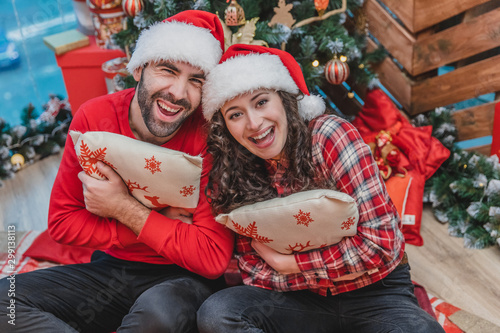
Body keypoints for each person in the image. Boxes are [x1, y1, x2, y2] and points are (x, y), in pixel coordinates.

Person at [0, 10, 234, 333]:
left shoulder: (208, 138)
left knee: (158, 317)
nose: (178, 93)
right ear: (139, 68)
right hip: (114, 269)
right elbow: (61, 222)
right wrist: (142, 222)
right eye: (168, 70)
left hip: (183, 278)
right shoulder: (94, 119)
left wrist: (122, 207)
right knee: (5, 301)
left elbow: (211, 257)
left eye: (196, 80)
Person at [197, 44, 444, 333]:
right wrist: (335, 261)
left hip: (375, 293)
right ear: (225, 126)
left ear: (285, 100)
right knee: (218, 314)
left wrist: (293, 264)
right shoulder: (234, 170)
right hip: (298, 301)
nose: (254, 123)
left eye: (261, 102)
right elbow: (254, 271)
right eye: (235, 114)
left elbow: (381, 244)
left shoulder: (330, 136)